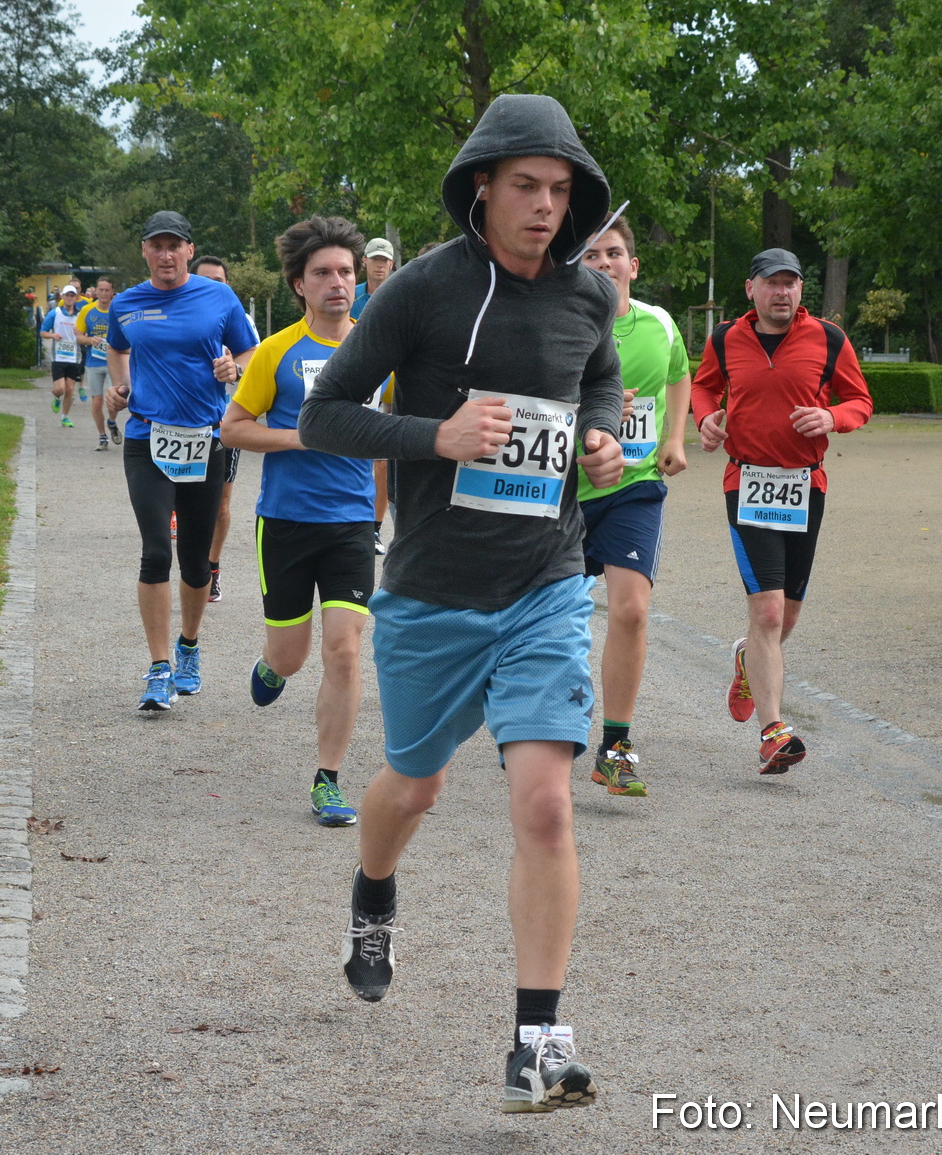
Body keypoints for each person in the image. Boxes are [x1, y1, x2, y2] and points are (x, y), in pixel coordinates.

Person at [300, 93, 625, 1113]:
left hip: (546, 581)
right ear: (480, 185)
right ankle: (373, 894)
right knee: (413, 789)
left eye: (559, 189)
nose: (542, 206)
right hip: (435, 591)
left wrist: (605, 436)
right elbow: (324, 418)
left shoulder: (585, 298)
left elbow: (598, 386)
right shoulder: (423, 294)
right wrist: (432, 436)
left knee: (544, 800)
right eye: (524, 186)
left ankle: (536, 1040)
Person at [693, 248, 871, 774]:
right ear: (751, 289)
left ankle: (749, 658)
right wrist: (706, 419)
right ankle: (773, 731)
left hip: (804, 486)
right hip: (746, 482)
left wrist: (831, 416)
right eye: (772, 283)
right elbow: (702, 387)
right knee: (768, 609)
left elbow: (860, 401)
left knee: (786, 615)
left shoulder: (829, 339)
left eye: (791, 283)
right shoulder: (725, 339)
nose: (783, 292)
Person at [221, 215, 373, 828]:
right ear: (299, 285)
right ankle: (271, 665)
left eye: (345, 271)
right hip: (284, 521)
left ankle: (328, 779)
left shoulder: (375, 350)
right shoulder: (277, 351)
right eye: (322, 273)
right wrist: (302, 437)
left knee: (344, 652)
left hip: (351, 523)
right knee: (291, 656)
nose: (336, 282)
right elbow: (232, 427)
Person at [104, 212, 258, 710]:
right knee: (155, 550)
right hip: (147, 437)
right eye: (156, 246)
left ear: (190, 250)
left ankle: (188, 646)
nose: (166, 254)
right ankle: (157, 668)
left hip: (204, 440)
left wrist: (235, 367)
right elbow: (116, 346)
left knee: (195, 560)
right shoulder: (127, 304)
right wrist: (120, 385)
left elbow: (252, 353)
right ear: (144, 252)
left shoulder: (218, 297)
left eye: (175, 245)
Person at [576, 215, 689, 797]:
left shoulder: (660, 323)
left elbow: (678, 373)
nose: (603, 264)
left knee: (631, 611)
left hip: (632, 487)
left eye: (613, 253)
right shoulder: (557, 324)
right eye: (591, 255)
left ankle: (615, 746)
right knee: (550, 619)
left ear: (633, 265)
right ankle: (535, 723)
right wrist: (589, 414)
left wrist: (672, 438)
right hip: (562, 494)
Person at [194, 255, 259, 602]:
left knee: (220, 504)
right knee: (179, 503)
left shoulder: (239, 319)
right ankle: (189, 568)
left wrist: (235, 367)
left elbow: (255, 361)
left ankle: (211, 567)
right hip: (178, 426)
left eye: (219, 280)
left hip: (223, 423)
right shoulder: (178, 312)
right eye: (205, 280)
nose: (212, 286)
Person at [352, 238, 397, 553]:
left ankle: (376, 529)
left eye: (385, 260)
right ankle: (346, 520)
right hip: (354, 384)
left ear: (392, 265)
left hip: (389, 387)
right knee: (346, 454)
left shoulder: (402, 294)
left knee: (381, 462)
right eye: (375, 259)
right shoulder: (350, 295)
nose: (380, 265)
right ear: (364, 262)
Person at [77, 276, 121, 450]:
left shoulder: (117, 311)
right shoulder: (87, 310)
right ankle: (102, 436)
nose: (103, 293)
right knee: (96, 401)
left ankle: (112, 422)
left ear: (112, 292)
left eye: (107, 290)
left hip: (113, 363)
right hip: (94, 362)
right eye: (100, 290)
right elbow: (78, 336)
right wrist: (89, 340)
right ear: (95, 291)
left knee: (114, 400)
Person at [41, 284, 86, 428]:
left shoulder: (80, 315)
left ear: (75, 298)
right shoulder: (55, 313)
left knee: (70, 390)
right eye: (67, 295)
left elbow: (85, 334)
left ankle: (64, 416)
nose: (70, 298)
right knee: (60, 389)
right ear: (63, 297)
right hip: (59, 357)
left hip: (74, 357)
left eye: (72, 296)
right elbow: (43, 332)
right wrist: (53, 335)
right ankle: (56, 397)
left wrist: (81, 335)